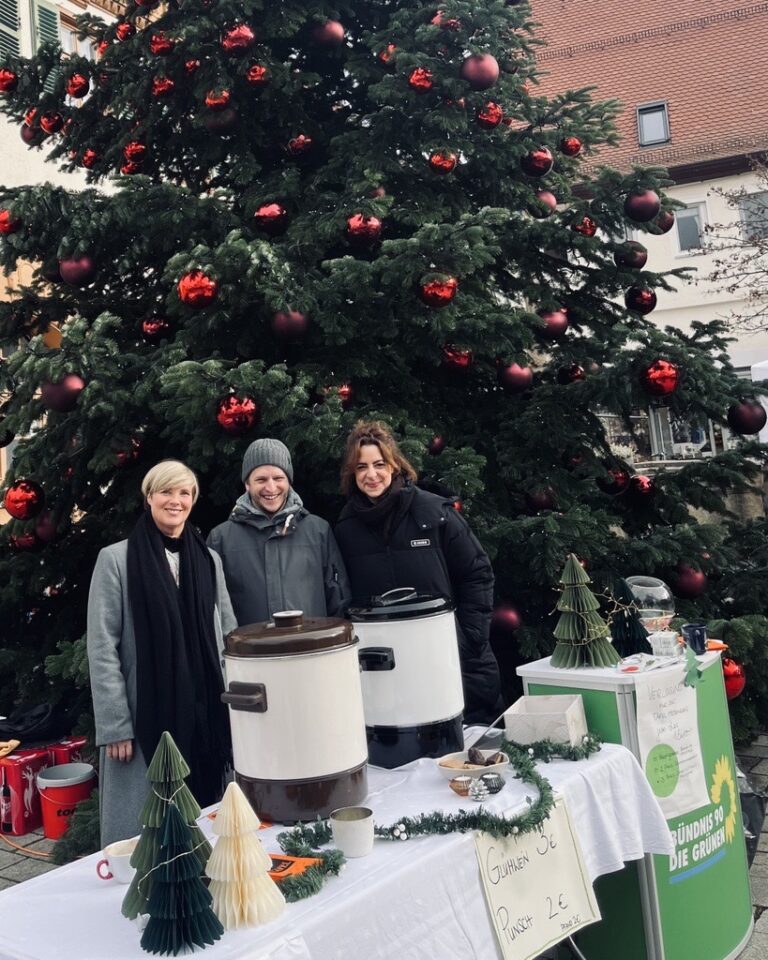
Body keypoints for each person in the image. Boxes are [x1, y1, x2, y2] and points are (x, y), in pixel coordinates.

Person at [87, 460, 236, 847]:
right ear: (149, 497)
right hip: (145, 714)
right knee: (146, 839)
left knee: (211, 826)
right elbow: (102, 647)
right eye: (166, 492)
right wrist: (116, 725)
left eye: (184, 493)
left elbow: (230, 636)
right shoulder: (116, 560)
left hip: (205, 709)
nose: (176, 500)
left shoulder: (209, 560)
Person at [335, 421, 501, 724]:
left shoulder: (434, 513)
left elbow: (477, 573)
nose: (371, 475)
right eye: (361, 467)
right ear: (351, 473)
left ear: (395, 464)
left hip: (456, 665)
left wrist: (466, 638)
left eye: (379, 464)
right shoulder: (346, 528)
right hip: (390, 677)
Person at [207, 438, 350, 625]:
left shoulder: (318, 531)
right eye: (261, 479)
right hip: (250, 652)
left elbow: (338, 599)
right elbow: (214, 609)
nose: (271, 487)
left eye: (278, 478)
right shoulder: (221, 539)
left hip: (313, 648)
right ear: (247, 484)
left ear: (288, 481)